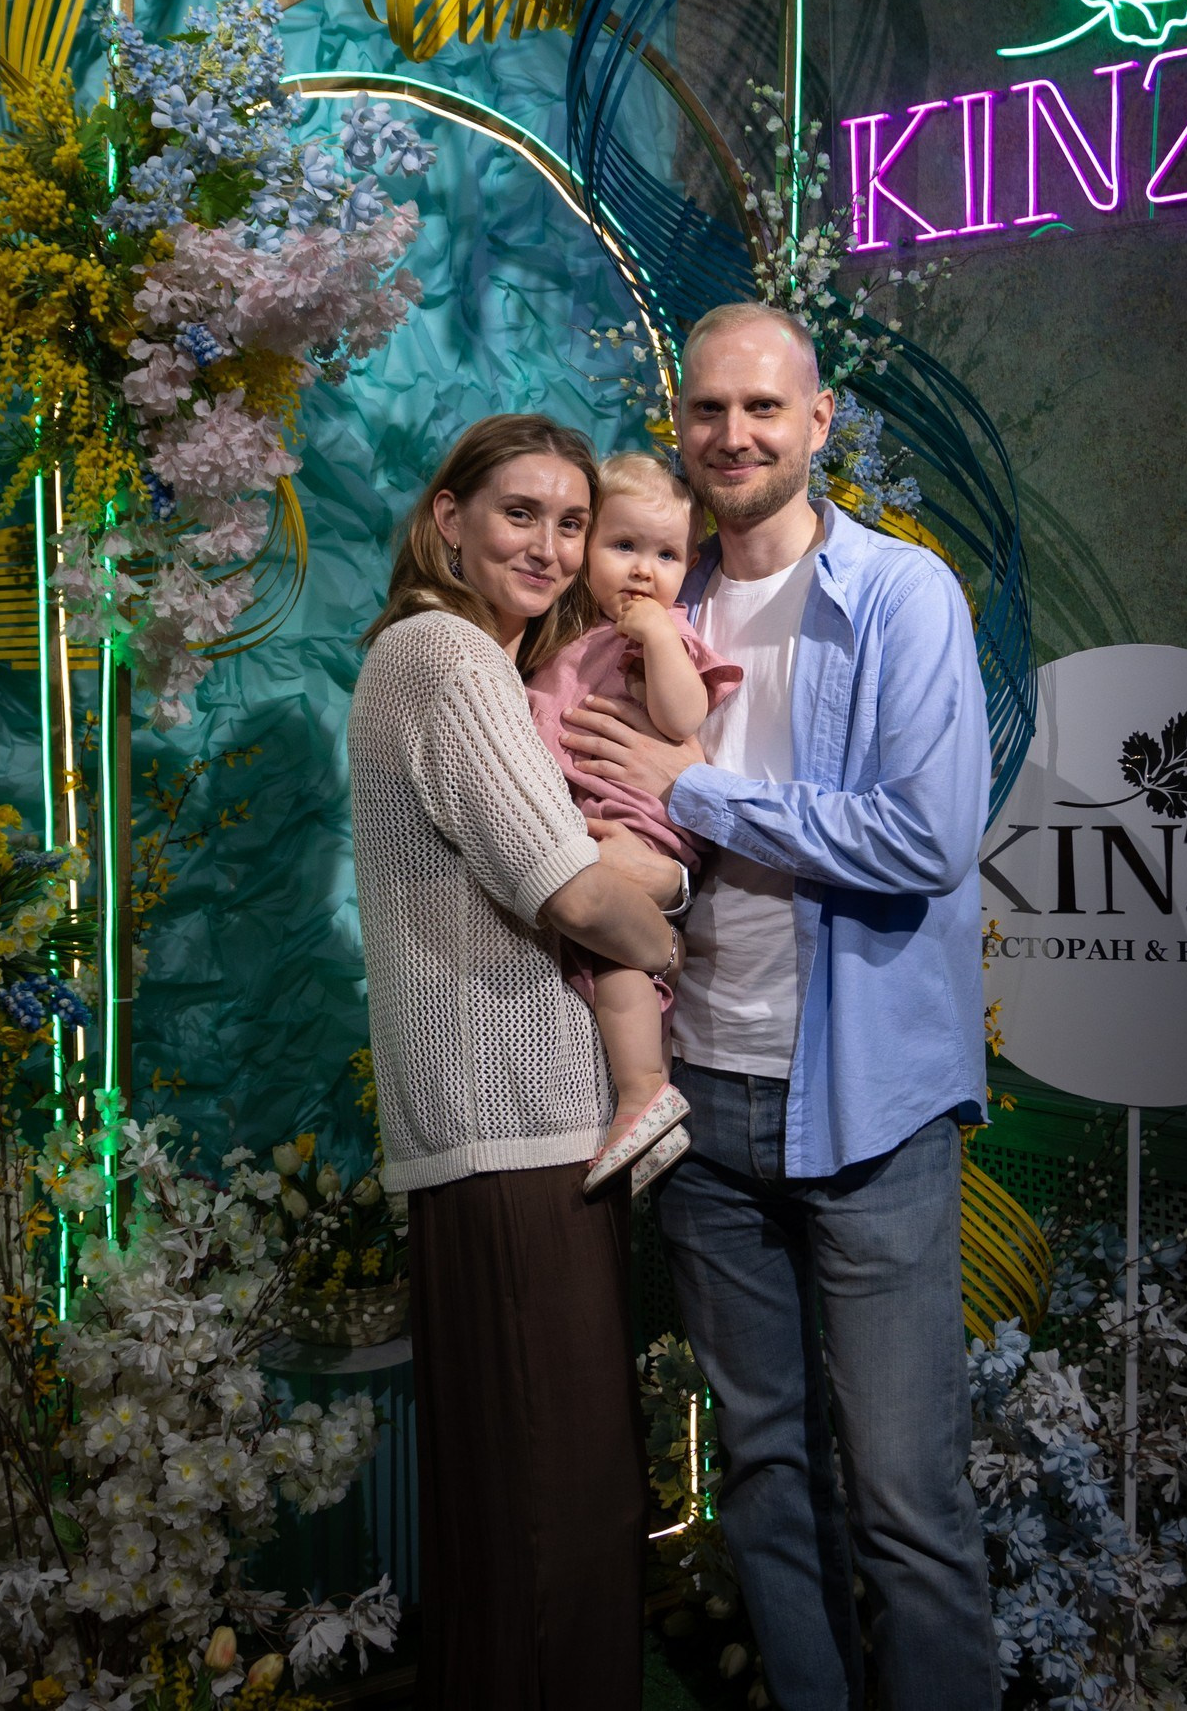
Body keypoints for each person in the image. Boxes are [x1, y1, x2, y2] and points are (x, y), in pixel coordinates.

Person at [558, 301, 1002, 1711]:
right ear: (679, 425)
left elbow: (926, 838)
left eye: (763, 407)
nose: (734, 434)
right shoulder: (655, 600)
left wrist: (697, 792)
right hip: (701, 1110)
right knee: (761, 1479)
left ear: (818, 421)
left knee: (905, 1501)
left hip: (869, 1113)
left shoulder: (901, 596)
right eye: (708, 408)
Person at [348, 412, 681, 1711]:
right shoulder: (447, 656)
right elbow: (578, 893)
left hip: (504, 1139)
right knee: (563, 1520)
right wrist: (672, 917)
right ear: (449, 520)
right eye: (518, 514)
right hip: (512, 1139)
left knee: (511, 1520)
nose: (548, 545)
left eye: (571, 522)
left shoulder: (472, 662)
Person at [527, 452, 742, 1193]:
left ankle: (644, 1090)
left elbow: (682, 717)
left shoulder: (663, 633)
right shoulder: (568, 635)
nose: (645, 571)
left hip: (637, 824)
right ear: (586, 547)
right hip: (583, 819)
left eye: (667, 555)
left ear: (691, 565)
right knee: (588, 957)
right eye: (623, 546)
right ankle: (637, 1100)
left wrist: (655, 636)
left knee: (616, 954)